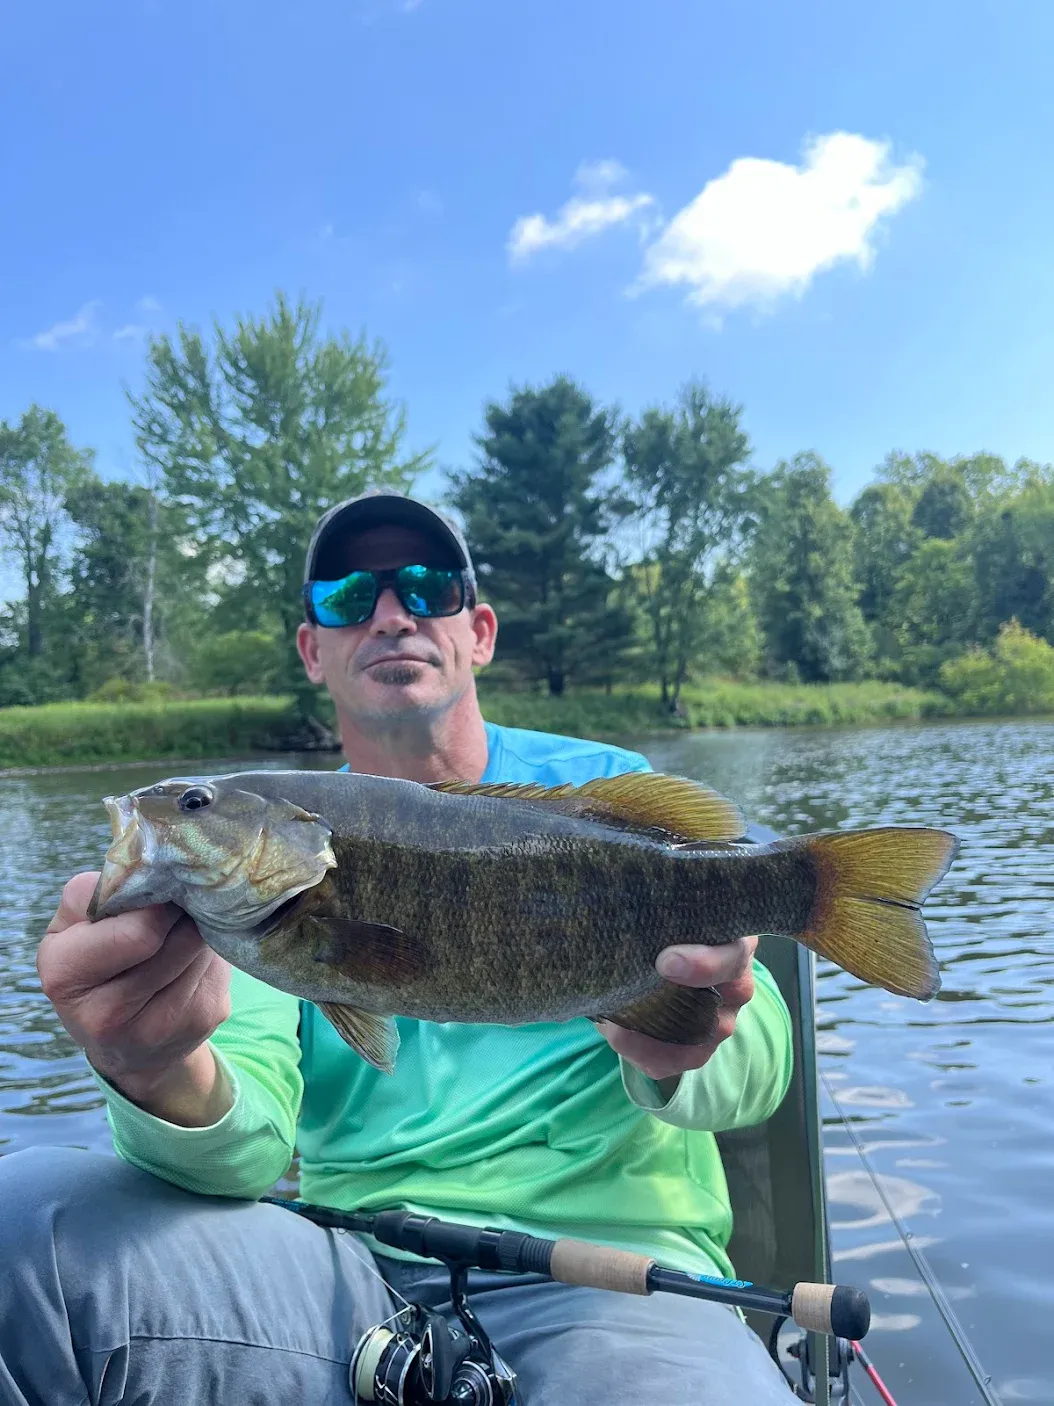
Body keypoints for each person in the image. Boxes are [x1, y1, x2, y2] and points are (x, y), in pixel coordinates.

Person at [0, 491, 795, 1405]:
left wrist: (690, 1038)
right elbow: (248, 1151)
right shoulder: (245, 908)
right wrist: (149, 1064)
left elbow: (757, 1069)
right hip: (345, 1279)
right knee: (23, 1228)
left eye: (427, 586)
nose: (391, 614)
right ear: (313, 650)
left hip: (619, 1283)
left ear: (479, 631)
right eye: (348, 596)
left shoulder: (606, 792)